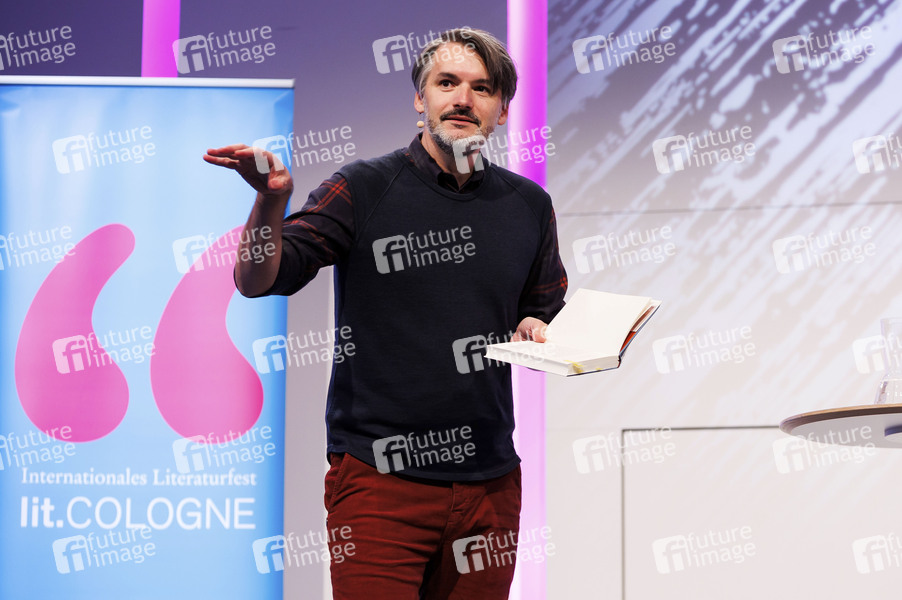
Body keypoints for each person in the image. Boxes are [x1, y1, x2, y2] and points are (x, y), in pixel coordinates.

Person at [204, 27, 567, 600]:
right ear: (420, 99)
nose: (462, 99)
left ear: (501, 111)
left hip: (490, 486)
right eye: (446, 83)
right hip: (379, 481)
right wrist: (270, 200)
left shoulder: (528, 205)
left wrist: (536, 328)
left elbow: (541, 312)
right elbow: (258, 279)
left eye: (482, 88)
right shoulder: (362, 187)